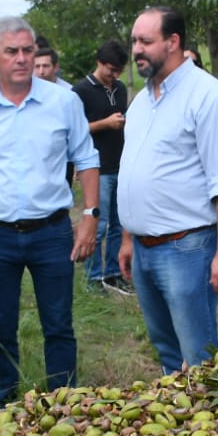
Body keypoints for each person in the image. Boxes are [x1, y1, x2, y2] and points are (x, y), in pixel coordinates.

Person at [0, 16, 100, 403]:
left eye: (27, 50)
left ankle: (64, 406)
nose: (21, 59)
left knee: (58, 324)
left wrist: (90, 215)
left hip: (51, 232)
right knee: (0, 327)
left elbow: (86, 158)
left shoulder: (63, 102)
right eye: (11, 51)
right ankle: (7, 405)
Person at [118, 6, 218, 373]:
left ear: (173, 42)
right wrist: (127, 238)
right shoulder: (141, 102)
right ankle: (176, 409)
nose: (136, 50)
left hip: (186, 249)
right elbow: (133, 171)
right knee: (167, 351)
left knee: (199, 355)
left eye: (146, 41)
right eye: (134, 41)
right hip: (143, 248)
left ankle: (210, 409)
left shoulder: (209, 98)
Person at [72, 39, 132, 295]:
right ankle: (93, 277)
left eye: (118, 71)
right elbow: (75, 130)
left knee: (119, 224)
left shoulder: (120, 89)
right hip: (97, 167)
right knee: (98, 224)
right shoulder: (80, 91)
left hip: (121, 163)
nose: (114, 75)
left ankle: (114, 273)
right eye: (110, 69)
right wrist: (104, 124)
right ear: (99, 62)